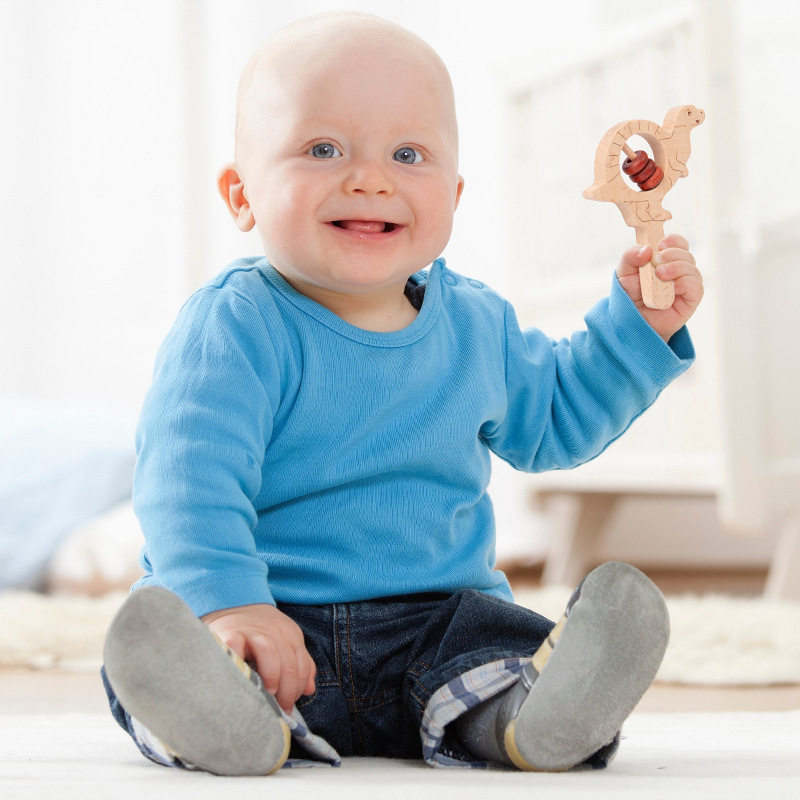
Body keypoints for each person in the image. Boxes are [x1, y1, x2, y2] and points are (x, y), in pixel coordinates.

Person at [102, 10, 704, 775]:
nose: (370, 177)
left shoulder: (477, 324)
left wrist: (636, 331)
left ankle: (527, 718)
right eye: (323, 148)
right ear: (241, 194)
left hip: (437, 622)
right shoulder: (237, 325)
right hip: (274, 616)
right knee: (199, 658)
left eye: (407, 153)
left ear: (453, 194)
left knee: (497, 649)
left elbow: (556, 419)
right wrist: (228, 603)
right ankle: (229, 720)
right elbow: (188, 482)